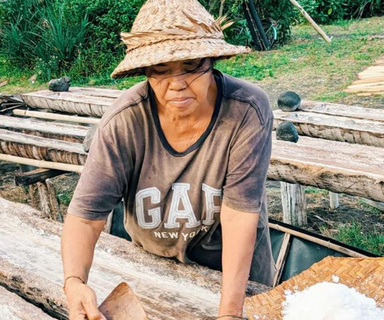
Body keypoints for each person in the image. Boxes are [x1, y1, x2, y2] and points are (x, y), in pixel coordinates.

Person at [60, 0, 276, 319]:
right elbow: (85, 217)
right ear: (145, 70)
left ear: (211, 60)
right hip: (154, 269)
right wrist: (74, 282)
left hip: (233, 275)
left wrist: (230, 312)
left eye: (191, 66)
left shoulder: (246, 111)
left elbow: (238, 216)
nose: (176, 84)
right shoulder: (124, 121)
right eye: (161, 70)